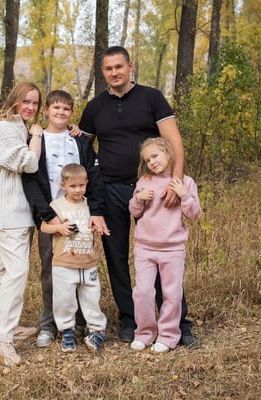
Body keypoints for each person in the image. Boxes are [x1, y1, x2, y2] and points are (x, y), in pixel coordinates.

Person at [79, 45, 198, 347]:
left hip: (153, 189)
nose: (114, 73)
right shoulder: (94, 108)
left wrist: (175, 182)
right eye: (108, 68)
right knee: (117, 257)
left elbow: (173, 140)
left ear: (130, 66)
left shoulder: (151, 97)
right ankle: (131, 320)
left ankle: (178, 325)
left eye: (119, 66)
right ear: (102, 71)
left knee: (160, 253)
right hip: (111, 190)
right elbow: (82, 150)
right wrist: (93, 200)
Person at [22, 90, 109, 348]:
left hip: (80, 215)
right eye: (56, 108)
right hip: (52, 217)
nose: (61, 112)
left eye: (66, 109)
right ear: (46, 110)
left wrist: (96, 211)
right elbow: (31, 180)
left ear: (72, 113)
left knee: (80, 267)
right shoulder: (36, 139)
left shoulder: (79, 141)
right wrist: (48, 215)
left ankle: (79, 323)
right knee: (51, 270)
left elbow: (95, 178)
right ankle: (50, 324)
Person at [0, 81, 42, 366]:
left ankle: (7, 326)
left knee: (5, 271)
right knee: (17, 273)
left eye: (35, 103)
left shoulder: (19, 128)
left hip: (19, 213)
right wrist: (38, 137)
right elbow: (28, 163)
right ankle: (2, 340)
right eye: (26, 101)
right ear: (14, 101)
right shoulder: (4, 128)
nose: (31, 107)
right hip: (8, 214)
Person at [128, 138, 201, 353]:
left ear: (168, 153)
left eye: (155, 156)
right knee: (142, 292)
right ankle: (144, 333)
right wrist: (138, 199)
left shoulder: (185, 182)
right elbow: (134, 211)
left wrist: (184, 195)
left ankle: (168, 336)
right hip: (145, 247)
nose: (152, 162)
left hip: (172, 249)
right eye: (147, 160)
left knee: (172, 294)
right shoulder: (144, 181)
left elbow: (194, 214)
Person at [40, 163, 107, 353]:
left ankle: (96, 330)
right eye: (73, 186)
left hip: (88, 261)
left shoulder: (90, 205)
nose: (78, 190)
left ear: (87, 184)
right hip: (64, 262)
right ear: (63, 186)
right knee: (64, 299)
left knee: (91, 297)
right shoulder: (57, 205)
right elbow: (44, 227)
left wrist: (98, 228)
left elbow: (96, 223)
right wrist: (59, 228)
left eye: (81, 185)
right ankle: (67, 331)